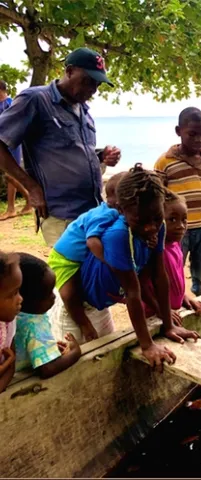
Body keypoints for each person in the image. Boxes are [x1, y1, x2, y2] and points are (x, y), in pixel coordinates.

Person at [50, 164, 199, 370]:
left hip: (102, 305)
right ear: (120, 210)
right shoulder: (117, 235)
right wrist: (147, 345)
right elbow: (132, 291)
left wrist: (168, 324)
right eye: (141, 221)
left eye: (156, 218)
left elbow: (158, 276)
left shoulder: (159, 226)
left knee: (105, 358)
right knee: (76, 365)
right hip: (77, 307)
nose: (150, 228)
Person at [0, 48, 121, 247]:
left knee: (93, 275)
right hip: (61, 215)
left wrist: (101, 155)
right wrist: (31, 188)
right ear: (70, 71)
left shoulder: (83, 109)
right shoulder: (36, 100)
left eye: (97, 84)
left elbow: (70, 150)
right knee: (70, 276)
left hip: (91, 211)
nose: (93, 89)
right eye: (88, 80)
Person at [48, 172, 125, 342]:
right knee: (69, 293)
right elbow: (92, 242)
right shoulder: (106, 214)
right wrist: (110, 262)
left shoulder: (114, 214)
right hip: (64, 259)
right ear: (118, 202)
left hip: (76, 257)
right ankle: (84, 325)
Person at [155, 107, 201, 297]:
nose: (198, 139)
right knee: (173, 272)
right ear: (178, 131)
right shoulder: (165, 162)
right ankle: (173, 305)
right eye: (192, 134)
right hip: (177, 230)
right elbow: (159, 198)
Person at [142, 190, 201, 323]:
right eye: (172, 219)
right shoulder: (153, 250)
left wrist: (183, 297)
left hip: (172, 310)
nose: (181, 226)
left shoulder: (175, 244)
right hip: (152, 314)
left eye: (184, 219)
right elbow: (141, 286)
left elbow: (175, 277)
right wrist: (161, 310)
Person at [15, 253, 81, 378]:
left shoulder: (15, 315)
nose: (54, 296)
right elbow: (47, 369)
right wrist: (75, 352)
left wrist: (48, 350)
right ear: (26, 299)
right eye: (47, 294)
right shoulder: (34, 325)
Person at [0, 79, 32, 221]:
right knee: (8, 175)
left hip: (12, 143)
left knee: (11, 175)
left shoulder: (10, 104)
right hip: (2, 144)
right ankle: (28, 200)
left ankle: (13, 207)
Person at [0, 251, 22, 392]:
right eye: (13, 294)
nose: (20, 299)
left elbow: (11, 366)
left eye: (19, 291)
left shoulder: (8, 323)